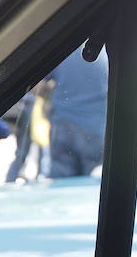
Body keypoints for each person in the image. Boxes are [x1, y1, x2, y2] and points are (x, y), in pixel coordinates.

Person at [44, 44, 109, 178]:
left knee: (62, 184)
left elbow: (36, 86)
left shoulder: (61, 50)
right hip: (95, 128)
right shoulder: (110, 51)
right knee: (94, 184)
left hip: (62, 124)